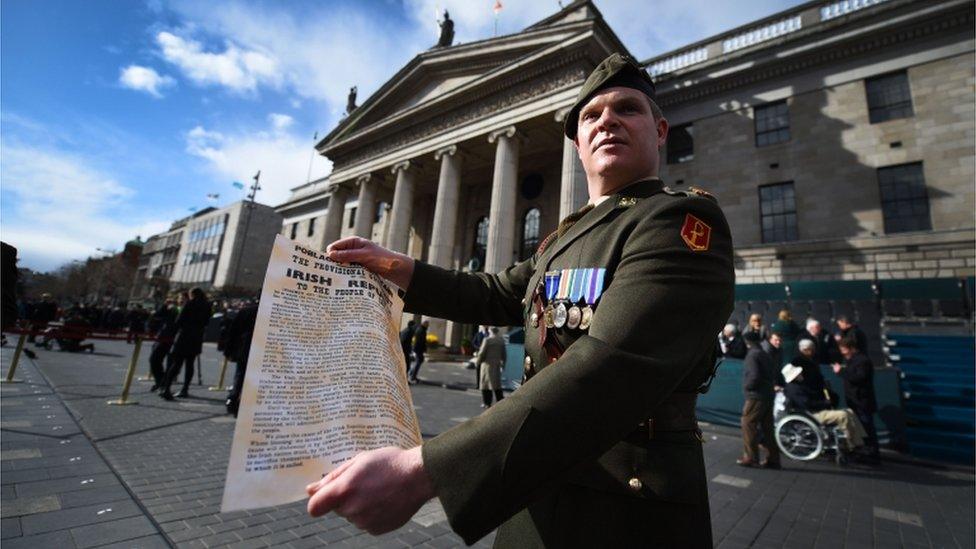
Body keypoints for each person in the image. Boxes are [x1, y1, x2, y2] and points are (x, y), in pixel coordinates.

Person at [303, 53, 734, 547]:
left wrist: (427, 470)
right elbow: (494, 292)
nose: (607, 121)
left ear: (660, 131)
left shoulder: (677, 223)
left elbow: (613, 363)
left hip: (625, 508)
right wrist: (399, 267)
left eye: (627, 109)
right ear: (577, 144)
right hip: (536, 485)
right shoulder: (562, 241)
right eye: (591, 116)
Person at [784, 340, 865, 451]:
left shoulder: (800, 385)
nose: (801, 374)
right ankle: (852, 444)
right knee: (843, 415)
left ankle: (859, 441)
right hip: (813, 413)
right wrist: (824, 403)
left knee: (850, 412)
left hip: (815, 410)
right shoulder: (795, 389)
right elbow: (807, 403)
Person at [832, 337, 880, 464]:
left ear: (851, 348)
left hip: (861, 400)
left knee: (866, 427)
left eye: (844, 350)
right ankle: (865, 452)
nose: (842, 353)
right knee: (861, 427)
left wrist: (841, 371)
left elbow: (858, 377)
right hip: (856, 399)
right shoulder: (853, 360)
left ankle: (872, 454)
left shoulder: (862, 361)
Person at [159, 288, 211, 400]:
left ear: (192, 295)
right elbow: (207, 321)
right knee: (190, 364)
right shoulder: (207, 305)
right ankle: (185, 388)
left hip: (184, 336)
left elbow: (179, 320)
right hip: (196, 337)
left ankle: (167, 388)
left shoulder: (189, 304)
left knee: (176, 363)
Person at [738, 331, 780, 469]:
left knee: (748, 423)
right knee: (767, 428)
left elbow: (754, 376)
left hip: (756, 396)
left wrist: (747, 387)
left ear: (747, 341)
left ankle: (750, 457)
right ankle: (773, 459)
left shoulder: (752, 355)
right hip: (768, 394)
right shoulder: (765, 354)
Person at [224, 299, 258, 417]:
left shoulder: (246, 311)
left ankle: (233, 400)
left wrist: (228, 351)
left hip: (244, 350)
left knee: (239, 376)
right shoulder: (271, 312)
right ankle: (242, 402)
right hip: (259, 353)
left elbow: (233, 332)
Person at [148, 300, 179, 391]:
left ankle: (164, 385)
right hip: (163, 337)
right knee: (154, 360)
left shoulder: (183, 309)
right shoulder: (169, 309)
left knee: (171, 364)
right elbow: (157, 315)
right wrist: (164, 306)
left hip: (174, 339)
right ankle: (160, 381)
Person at [475, 327, 507, 408]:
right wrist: (503, 364)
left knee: (485, 384)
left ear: (490, 331)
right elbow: (504, 354)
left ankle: (487, 403)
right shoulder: (501, 341)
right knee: (497, 384)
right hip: (496, 365)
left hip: (487, 365)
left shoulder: (487, 340)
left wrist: (477, 362)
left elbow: (482, 353)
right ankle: (500, 401)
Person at [408, 319, 428, 384]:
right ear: (424, 324)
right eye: (427, 324)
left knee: (418, 362)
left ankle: (412, 374)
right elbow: (420, 342)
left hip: (418, 349)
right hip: (418, 349)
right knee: (418, 363)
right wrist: (422, 349)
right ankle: (412, 376)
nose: (428, 325)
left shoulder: (421, 329)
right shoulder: (421, 330)